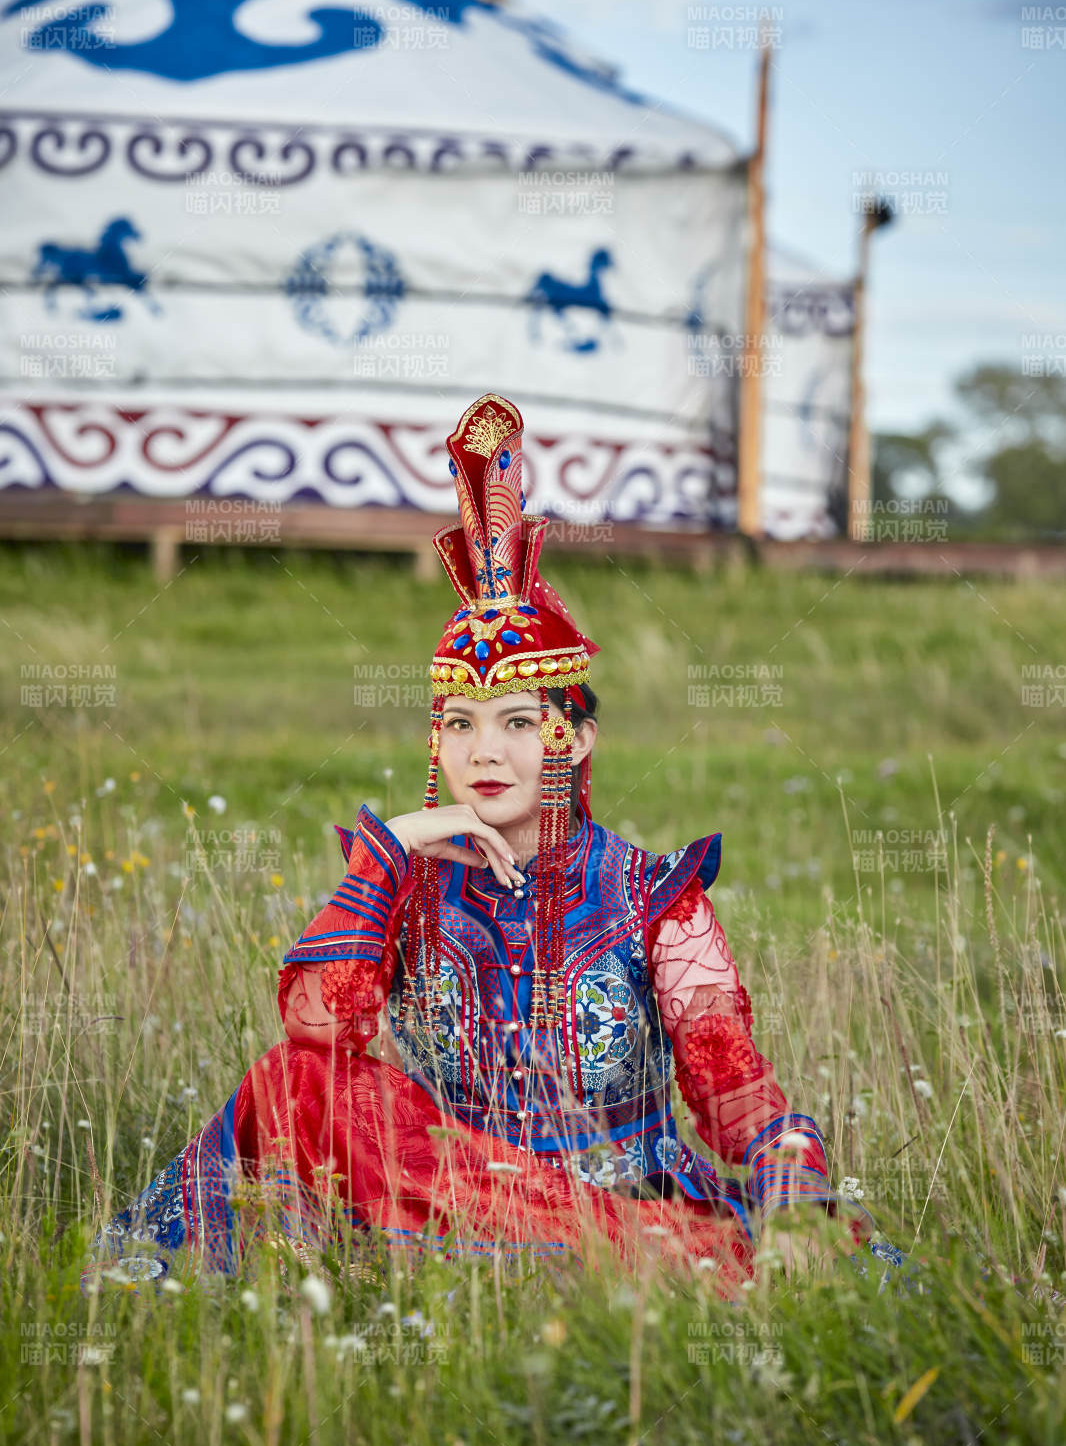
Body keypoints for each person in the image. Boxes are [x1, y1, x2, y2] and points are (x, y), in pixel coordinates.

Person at [84, 392, 890, 1300]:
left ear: (574, 738)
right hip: (454, 1185)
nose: (485, 753)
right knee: (289, 1079)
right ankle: (206, 1281)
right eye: (458, 725)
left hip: (621, 1205)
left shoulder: (654, 897)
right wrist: (391, 848)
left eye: (516, 721)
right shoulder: (408, 881)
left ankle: (608, 1261)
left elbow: (726, 1069)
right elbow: (319, 1031)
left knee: (768, 1257)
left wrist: (790, 1184)